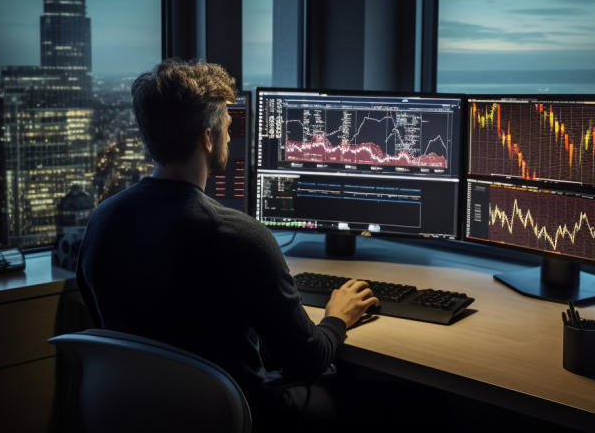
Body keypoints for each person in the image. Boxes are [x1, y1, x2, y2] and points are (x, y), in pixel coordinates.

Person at [76, 59, 378, 430]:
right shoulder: (238, 236)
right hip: (237, 416)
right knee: (364, 398)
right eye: (228, 128)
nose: (230, 139)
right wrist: (338, 317)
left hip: (137, 414)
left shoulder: (102, 220)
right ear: (207, 137)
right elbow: (307, 360)